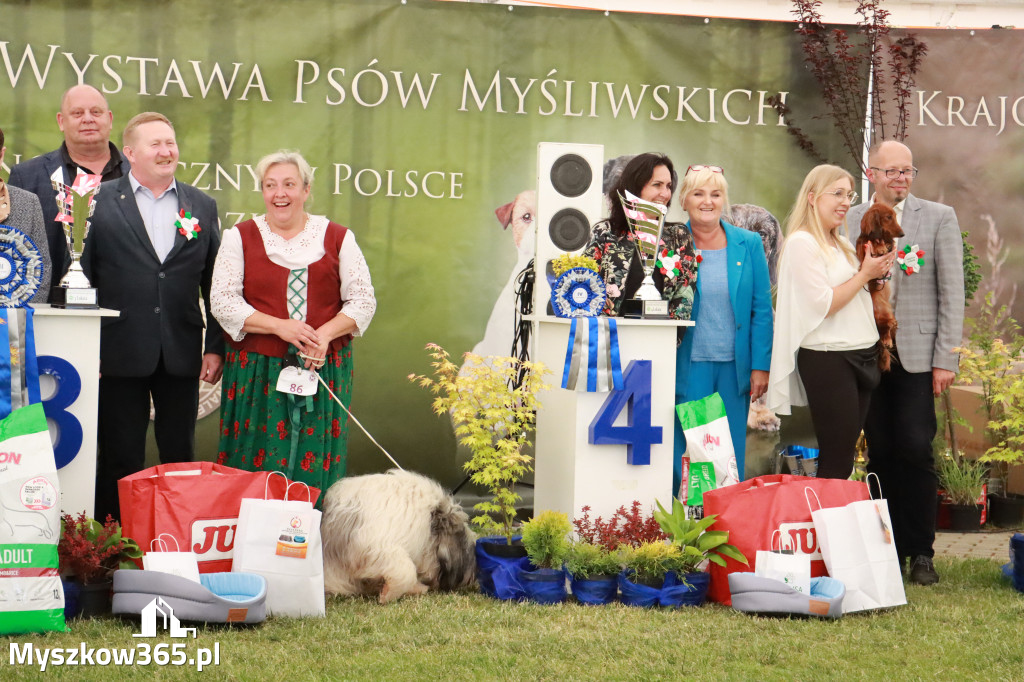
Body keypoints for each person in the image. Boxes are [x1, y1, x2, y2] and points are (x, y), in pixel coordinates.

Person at [82, 112, 224, 522]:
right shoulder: (98, 200)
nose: (166, 151)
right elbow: (82, 277)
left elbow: (214, 284)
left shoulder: (201, 204)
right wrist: (87, 348)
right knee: (121, 455)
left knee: (180, 454)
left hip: (181, 352)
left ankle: (178, 541)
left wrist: (214, 347)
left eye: (170, 142)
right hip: (117, 352)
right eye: (155, 144)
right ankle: (112, 550)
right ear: (129, 153)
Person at [210, 150, 376, 497]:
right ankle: (251, 544)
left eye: (289, 184)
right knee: (253, 463)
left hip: (322, 369)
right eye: (270, 185)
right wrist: (279, 326)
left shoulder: (337, 237)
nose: (279, 193)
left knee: (315, 467)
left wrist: (326, 335)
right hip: (256, 372)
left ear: (306, 189)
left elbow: (362, 300)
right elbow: (222, 301)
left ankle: (312, 541)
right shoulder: (239, 237)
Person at [847, 141, 964, 586]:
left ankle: (921, 552)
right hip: (865, 351)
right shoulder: (850, 217)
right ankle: (885, 548)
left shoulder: (938, 217)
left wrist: (945, 358)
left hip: (916, 355)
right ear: (871, 172)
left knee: (915, 446)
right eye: (892, 171)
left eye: (907, 171)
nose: (901, 178)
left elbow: (952, 292)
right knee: (879, 449)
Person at [767, 164, 894, 480]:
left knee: (846, 460)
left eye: (848, 194)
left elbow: (858, 296)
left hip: (862, 356)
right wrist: (865, 273)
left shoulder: (842, 244)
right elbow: (824, 305)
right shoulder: (802, 243)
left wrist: (876, 274)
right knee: (836, 459)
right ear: (812, 197)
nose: (845, 202)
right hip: (829, 360)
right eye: (836, 193)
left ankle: (836, 526)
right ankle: (825, 528)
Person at [673, 164, 773, 491]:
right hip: (690, 365)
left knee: (728, 455)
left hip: (735, 369)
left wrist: (760, 366)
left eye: (715, 194)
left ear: (724, 200)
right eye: (698, 193)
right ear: (684, 200)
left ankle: (722, 530)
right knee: (691, 454)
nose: (707, 201)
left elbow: (761, 309)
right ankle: (685, 531)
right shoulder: (672, 242)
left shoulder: (749, 244)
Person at [8, 85, 130, 290]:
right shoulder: (27, 177)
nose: (88, 119)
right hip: (51, 310)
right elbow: (13, 252)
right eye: (77, 113)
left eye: (96, 112)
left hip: (126, 310)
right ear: (61, 121)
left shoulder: (138, 174)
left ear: (109, 119)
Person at [585, 152, 695, 319]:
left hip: (658, 339)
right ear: (635, 187)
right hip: (610, 338)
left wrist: (664, 338)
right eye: (657, 185)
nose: (665, 193)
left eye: (668, 186)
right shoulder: (604, 232)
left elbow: (684, 298)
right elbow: (586, 285)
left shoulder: (678, 236)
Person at [0, 126, 52, 303]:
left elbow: (41, 267)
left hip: (14, 324)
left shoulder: (28, 202)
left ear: (1, 155)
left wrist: (22, 316)